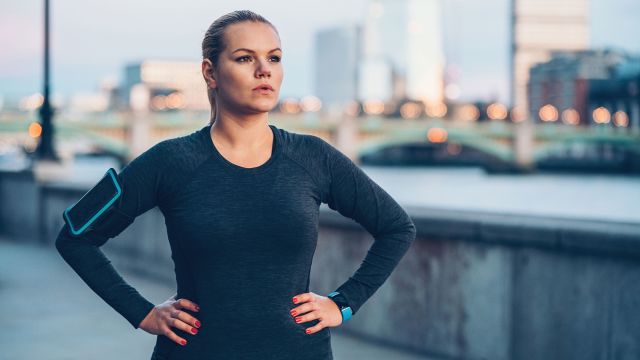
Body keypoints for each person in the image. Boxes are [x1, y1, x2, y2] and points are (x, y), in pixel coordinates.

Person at [55, 9, 417, 360]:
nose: (264, 70)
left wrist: (344, 303)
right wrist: (142, 313)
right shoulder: (170, 161)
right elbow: (75, 237)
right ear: (210, 73)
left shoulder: (313, 157)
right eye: (245, 58)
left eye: (274, 58)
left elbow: (397, 227)